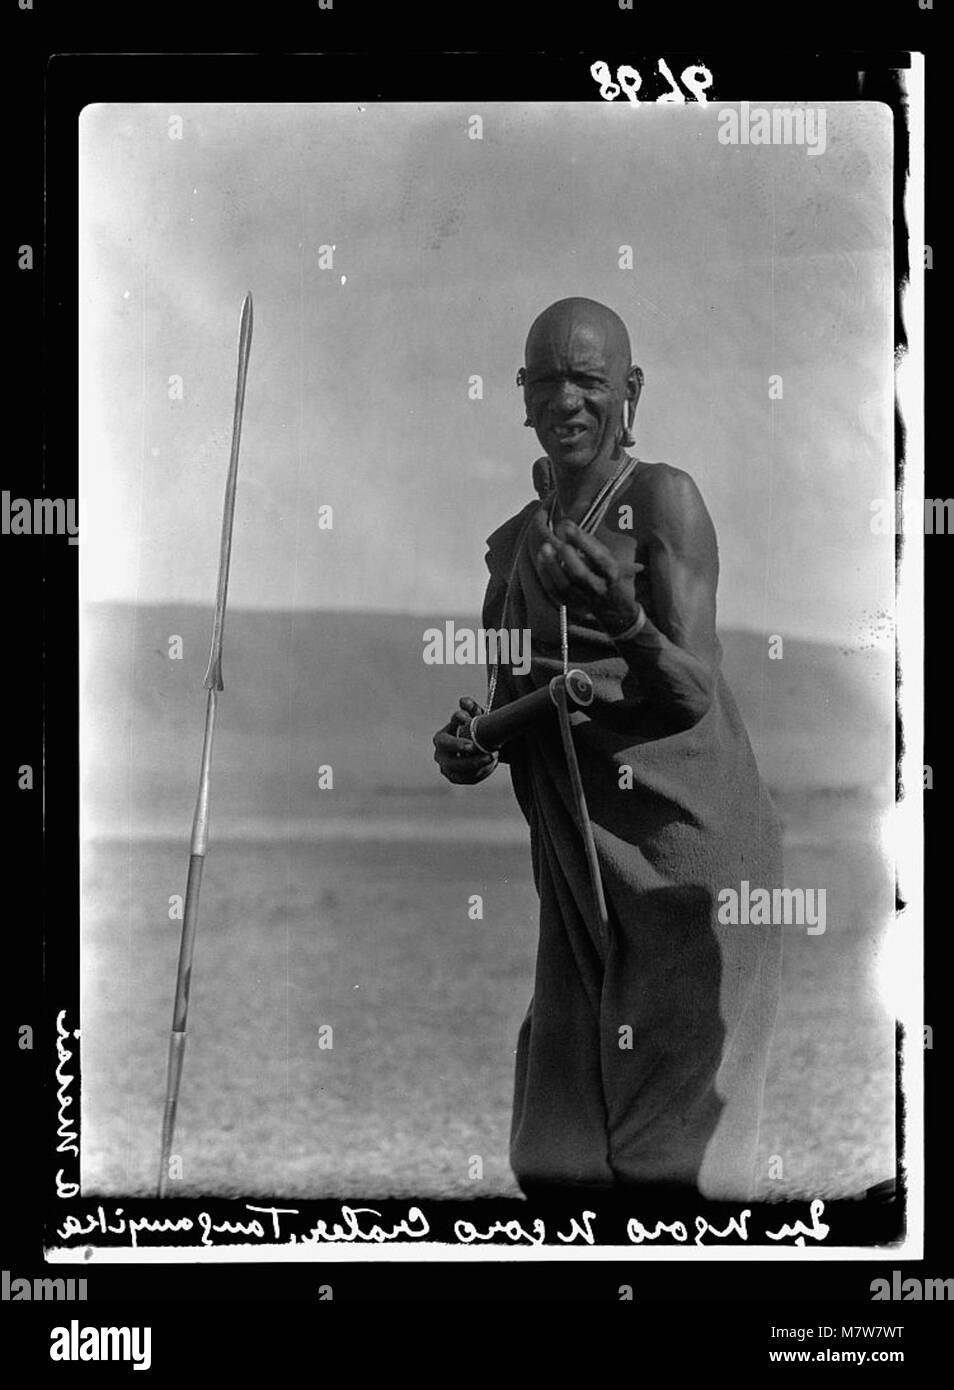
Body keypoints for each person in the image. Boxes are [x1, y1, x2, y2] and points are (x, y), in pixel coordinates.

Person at [432, 297, 783, 1202]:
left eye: (588, 380)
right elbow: (523, 701)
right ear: (520, 395)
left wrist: (623, 619)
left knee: (673, 1163)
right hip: (583, 870)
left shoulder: (665, 499)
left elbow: (691, 690)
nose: (567, 400)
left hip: (687, 858)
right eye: (544, 380)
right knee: (559, 1150)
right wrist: (474, 743)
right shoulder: (517, 545)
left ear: (630, 391)